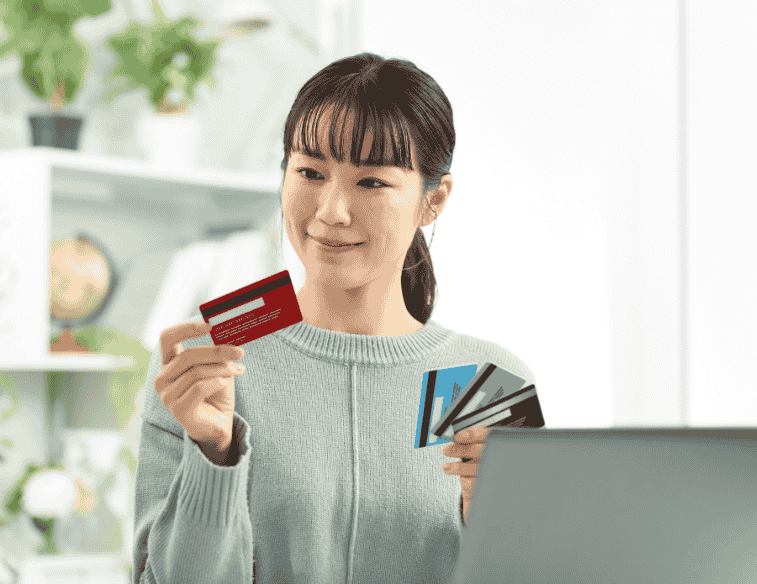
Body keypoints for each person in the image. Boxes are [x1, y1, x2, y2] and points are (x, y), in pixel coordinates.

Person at [133, 52, 536, 584]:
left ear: (432, 200)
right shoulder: (215, 359)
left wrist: (491, 519)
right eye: (310, 173)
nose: (331, 211)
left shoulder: (482, 380)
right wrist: (215, 453)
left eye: (371, 182)